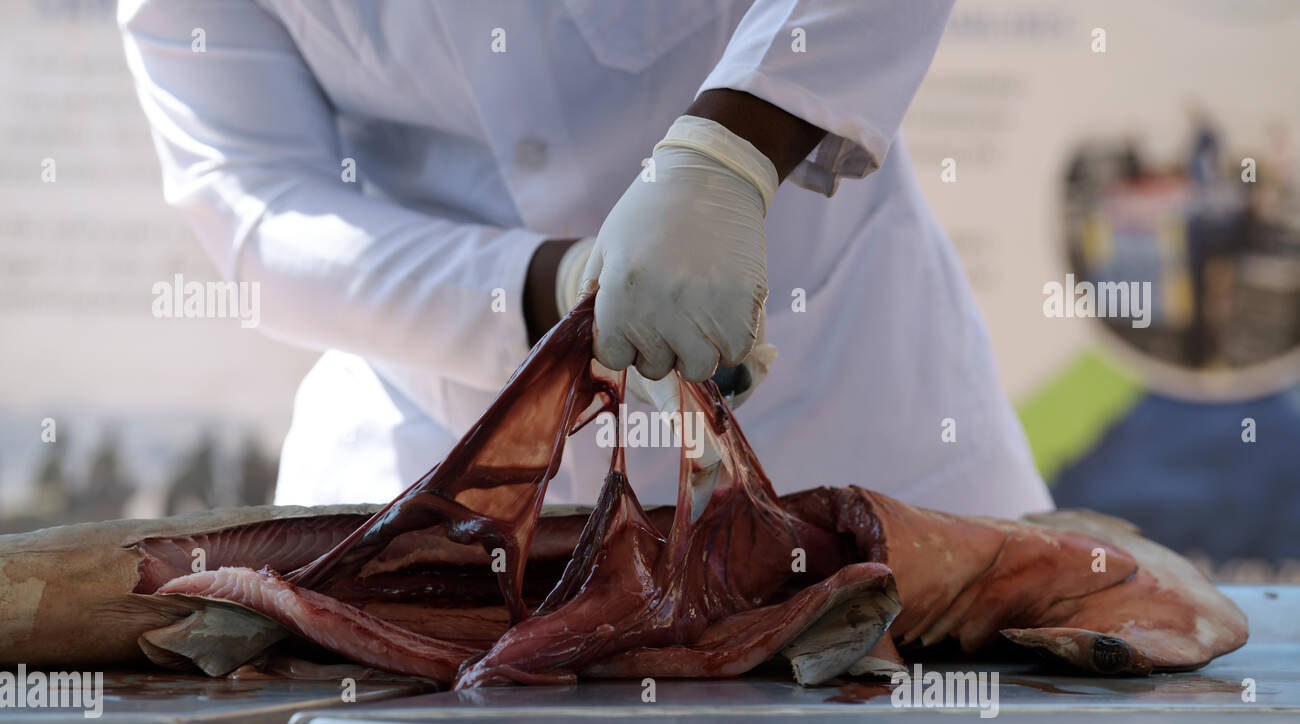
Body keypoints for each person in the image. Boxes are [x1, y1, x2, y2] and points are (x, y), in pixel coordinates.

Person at [119, 0, 1051, 517]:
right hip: (437, 476)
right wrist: (554, 291)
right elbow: (260, 209)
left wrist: (725, 155)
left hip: (847, 424)